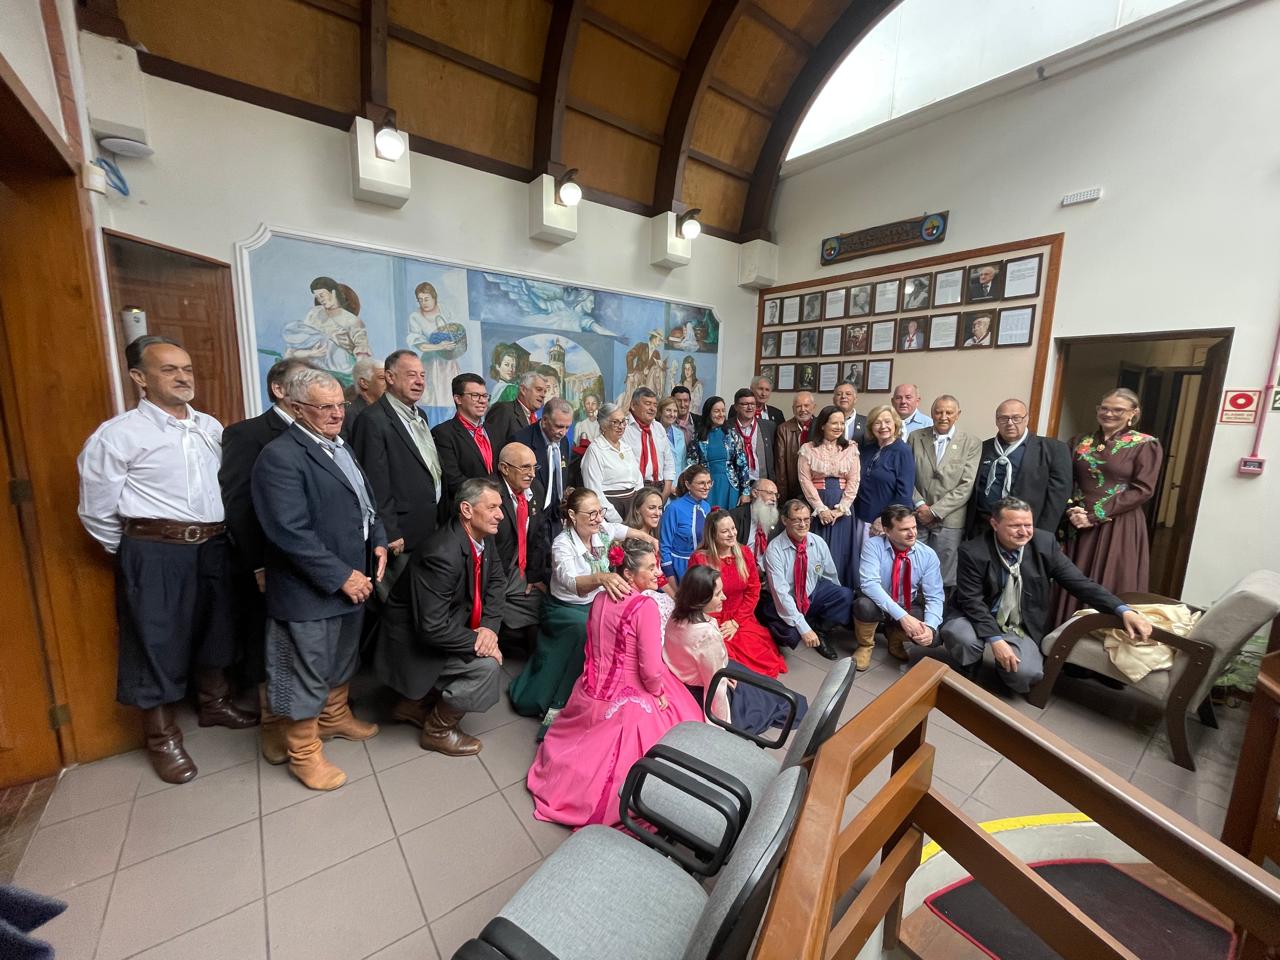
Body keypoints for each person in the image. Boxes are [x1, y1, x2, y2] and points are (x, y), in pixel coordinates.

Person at [78, 336, 255, 785]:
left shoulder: (210, 427)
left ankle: (214, 705)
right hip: (155, 550)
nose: (183, 378)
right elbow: (96, 510)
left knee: (218, 627)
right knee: (153, 639)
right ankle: (161, 738)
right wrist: (137, 553)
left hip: (214, 545)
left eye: (188, 369)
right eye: (169, 370)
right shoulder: (119, 435)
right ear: (139, 378)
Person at [252, 366, 387, 790]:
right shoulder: (280, 456)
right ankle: (304, 752)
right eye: (323, 407)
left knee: (342, 659)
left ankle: (334, 717)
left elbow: (365, 505)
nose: (335, 414)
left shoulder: (339, 446)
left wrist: (379, 541)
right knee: (304, 670)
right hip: (310, 589)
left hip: (353, 580)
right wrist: (341, 575)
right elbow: (288, 532)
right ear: (295, 408)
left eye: (339, 405)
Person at [526, 539, 703, 827]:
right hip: (629, 696)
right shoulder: (643, 606)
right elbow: (649, 668)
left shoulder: (599, 598)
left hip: (591, 689)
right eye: (650, 567)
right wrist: (657, 692)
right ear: (629, 575)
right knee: (682, 718)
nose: (657, 571)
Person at [942, 497, 1153, 694]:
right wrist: (995, 640)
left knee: (1026, 675)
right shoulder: (973, 551)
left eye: (1028, 525)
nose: (1023, 532)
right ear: (995, 524)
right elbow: (972, 602)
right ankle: (970, 662)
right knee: (962, 636)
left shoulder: (1044, 544)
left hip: (1017, 625)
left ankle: (1005, 666)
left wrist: (1122, 609)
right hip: (975, 617)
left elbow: (1080, 583)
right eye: (1015, 526)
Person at [219, 357, 313, 760]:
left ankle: (316, 717)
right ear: (279, 389)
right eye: (304, 384)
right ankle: (273, 723)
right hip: (269, 561)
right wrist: (257, 563)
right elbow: (239, 504)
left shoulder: (320, 432)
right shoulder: (248, 434)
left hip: (313, 558)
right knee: (269, 642)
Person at [374, 478, 507, 756]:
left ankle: (412, 705)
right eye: (493, 507)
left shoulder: (482, 537)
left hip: (448, 626)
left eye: (501, 507)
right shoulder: (442, 553)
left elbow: (496, 583)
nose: (500, 515)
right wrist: (479, 643)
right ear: (467, 510)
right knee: (487, 670)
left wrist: (489, 630)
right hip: (413, 643)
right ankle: (438, 731)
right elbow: (431, 628)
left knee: (486, 651)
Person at [508, 488, 653, 735]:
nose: (599, 518)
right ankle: (560, 704)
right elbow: (569, 581)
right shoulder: (562, 544)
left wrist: (648, 539)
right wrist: (600, 578)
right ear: (573, 516)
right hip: (565, 609)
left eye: (600, 512)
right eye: (592, 513)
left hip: (596, 604)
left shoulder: (602, 530)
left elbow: (622, 530)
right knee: (586, 632)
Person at [1057, 388, 1164, 621]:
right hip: (1076, 521)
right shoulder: (1078, 441)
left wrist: (1094, 515)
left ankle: (1100, 635)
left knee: (1110, 578)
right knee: (1070, 575)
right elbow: (1065, 478)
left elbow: (1143, 489)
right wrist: (1071, 508)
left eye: (1117, 409)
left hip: (1118, 522)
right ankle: (1062, 634)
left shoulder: (1145, 444)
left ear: (1133, 413)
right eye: (1104, 408)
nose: (1109, 413)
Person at [664, 565, 805, 732]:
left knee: (761, 684)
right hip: (703, 685)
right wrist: (720, 724)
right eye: (717, 594)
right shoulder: (706, 633)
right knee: (767, 698)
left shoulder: (675, 616)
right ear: (701, 598)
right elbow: (715, 685)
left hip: (684, 677)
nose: (724, 597)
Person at [351, 350, 443, 593]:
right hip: (399, 537)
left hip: (427, 530)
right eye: (411, 374)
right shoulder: (372, 420)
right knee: (398, 612)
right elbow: (373, 482)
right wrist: (389, 531)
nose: (420, 381)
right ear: (390, 377)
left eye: (422, 375)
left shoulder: (420, 415)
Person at [690, 509, 790, 676]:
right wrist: (714, 624)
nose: (732, 534)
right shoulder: (700, 559)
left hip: (741, 615)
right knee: (725, 660)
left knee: (759, 656)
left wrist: (736, 622)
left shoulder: (744, 553)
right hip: (712, 618)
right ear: (713, 535)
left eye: (733, 528)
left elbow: (753, 591)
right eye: (724, 531)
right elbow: (697, 598)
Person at [854, 504, 944, 670]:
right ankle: (865, 646)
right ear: (887, 531)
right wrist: (903, 617)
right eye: (904, 529)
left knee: (935, 637)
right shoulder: (873, 545)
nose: (912, 533)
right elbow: (869, 584)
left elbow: (935, 596)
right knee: (863, 605)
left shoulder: (928, 555)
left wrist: (930, 627)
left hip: (907, 601)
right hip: (878, 601)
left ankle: (895, 637)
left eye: (914, 527)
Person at [967, 399, 1072, 537]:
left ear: (1026, 419)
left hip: (1025, 532)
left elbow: (1058, 498)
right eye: (1004, 418)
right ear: (997, 421)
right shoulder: (982, 448)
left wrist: (1041, 536)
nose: (1010, 423)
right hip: (982, 529)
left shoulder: (1053, 450)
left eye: (1016, 418)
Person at [760, 500, 850, 660]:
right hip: (784, 599)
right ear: (785, 520)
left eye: (807, 519)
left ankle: (820, 631)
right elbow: (781, 594)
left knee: (844, 595)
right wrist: (803, 628)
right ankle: (772, 627)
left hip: (810, 593)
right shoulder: (774, 550)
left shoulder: (818, 542)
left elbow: (830, 575)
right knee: (791, 636)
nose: (803, 524)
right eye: (796, 519)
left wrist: (833, 610)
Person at [908, 395, 981, 589]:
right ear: (931, 413)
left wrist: (935, 511)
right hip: (918, 515)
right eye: (938, 411)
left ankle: (939, 615)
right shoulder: (915, 437)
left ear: (957, 415)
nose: (943, 416)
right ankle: (912, 611)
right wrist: (920, 505)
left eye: (949, 412)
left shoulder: (971, 442)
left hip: (950, 519)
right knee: (914, 566)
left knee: (944, 574)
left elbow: (967, 484)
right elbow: (906, 476)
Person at [494, 443, 552, 651]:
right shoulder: (490, 493)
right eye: (525, 467)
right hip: (492, 568)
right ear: (504, 468)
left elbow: (538, 536)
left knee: (541, 601)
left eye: (534, 468)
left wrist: (534, 575)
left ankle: (534, 665)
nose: (531, 474)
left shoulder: (535, 489)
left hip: (521, 565)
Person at [851, 405, 916, 590]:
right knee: (860, 566)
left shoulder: (902, 451)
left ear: (895, 424)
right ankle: (860, 610)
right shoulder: (868, 449)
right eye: (877, 422)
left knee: (879, 571)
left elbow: (904, 494)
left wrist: (884, 520)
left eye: (887, 421)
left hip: (883, 523)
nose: (883, 426)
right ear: (871, 427)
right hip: (860, 518)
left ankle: (878, 611)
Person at [798, 405, 861, 588]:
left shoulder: (850, 448)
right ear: (823, 425)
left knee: (841, 551)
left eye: (842, 423)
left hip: (842, 507)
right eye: (834, 423)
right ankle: (815, 593)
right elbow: (805, 480)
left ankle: (841, 594)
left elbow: (854, 480)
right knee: (817, 552)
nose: (839, 427)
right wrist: (820, 508)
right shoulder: (808, 449)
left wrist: (842, 508)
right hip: (818, 505)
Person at [282, 277, 373, 377]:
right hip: (314, 355)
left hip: (339, 361)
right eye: (317, 297)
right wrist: (311, 353)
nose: (321, 300)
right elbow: (305, 336)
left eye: (322, 295)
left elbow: (362, 350)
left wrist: (359, 374)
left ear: (333, 292)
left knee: (323, 339)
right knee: (294, 330)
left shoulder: (351, 320)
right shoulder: (314, 313)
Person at [432, 373, 495, 506]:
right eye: (475, 396)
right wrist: (486, 498)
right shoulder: (443, 433)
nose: (483, 401)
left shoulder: (494, 430)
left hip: (497, 509)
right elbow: (453, 480)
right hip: (465, 510)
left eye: (484, 396)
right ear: (458, 399)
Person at [512, 396, 573, 525]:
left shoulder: (564, 442)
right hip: (531, 515)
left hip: (556, 516)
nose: (563, 433)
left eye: (567, 427)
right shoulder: (522, 441)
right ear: (545, 420)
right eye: (559, 426)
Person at [581, 402, 643, 523]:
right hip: (610, 510)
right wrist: (617, 520)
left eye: (623, 421)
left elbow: (638, 480)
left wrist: (639, 508)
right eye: (615, 422)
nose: (621, 426)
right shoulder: (595, 450)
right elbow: (594, 491)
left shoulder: (626, 447)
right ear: (603, 425)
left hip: (633, 509)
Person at [406, 281, 464, 408]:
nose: (423, 303)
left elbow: (456, 331)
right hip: (431, 364)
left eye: (426, 299)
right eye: (420, 300)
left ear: (434, 297)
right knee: (433, 398)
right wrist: (440, 346)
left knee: (451, 395)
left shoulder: (445, 310)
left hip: (449, 363)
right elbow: (421, 346)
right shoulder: (415, 317)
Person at [689, 396, 751, 510]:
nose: (721, 414)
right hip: (706, 487)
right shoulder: (698, 437)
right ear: (708, 413)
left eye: (723, 410)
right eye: (716, 411)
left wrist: (746, 492)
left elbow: (742, 465)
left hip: (730, 486)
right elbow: (692, 466)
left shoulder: (732, 435)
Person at [659, 464, 712, 581]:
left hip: (702, 568)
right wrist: (672, 583)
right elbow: (664, 547)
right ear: (688, 485)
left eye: (709, 482)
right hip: (679, 569)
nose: (706, 487)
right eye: (701, 483)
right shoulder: (673, 509)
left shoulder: (707, 507)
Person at [623, 386, 675, 499]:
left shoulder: (658, 428)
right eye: (647, 403)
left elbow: (668, 462)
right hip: (633, 489)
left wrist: (665, 492)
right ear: (633, 405)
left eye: (655, 405)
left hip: (658, 488)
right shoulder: (623, 428)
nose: (652, 408)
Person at [727, 478, 782, 577]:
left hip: (767, 576)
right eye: (770, 493)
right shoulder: (735, 517)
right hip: (740, 573)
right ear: (755, 493)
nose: (774, 499)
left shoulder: (777, 520)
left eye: (776, 495)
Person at [486, 370, 548, 450]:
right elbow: (492, 447)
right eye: (539, 389)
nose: (543, 395)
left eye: (545, 392)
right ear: (523, 390)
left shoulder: (537, 420)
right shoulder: (503, 410)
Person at [774, 390, 815, 503]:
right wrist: (782, 497)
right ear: (793, 409)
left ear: (814, 407)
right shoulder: (784, 429)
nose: (802, 410)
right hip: (794, 486)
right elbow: (780, 464)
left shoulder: (821, 427)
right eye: (798, 406)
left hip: (816, 487)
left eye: (806, 405)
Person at [731, 388, 776, 485]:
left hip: (762, 483)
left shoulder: (769, 427)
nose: (750, 407)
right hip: (736, 484)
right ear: (735, 407)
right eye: (745, 404)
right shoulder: (727, 427)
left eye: (752, 404)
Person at [344, 356, 386, 432]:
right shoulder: (350, 414)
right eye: (382, 378)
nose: (389, 383)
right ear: (364, 383)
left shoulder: (389, 409)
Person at [657, 395, 687, 473]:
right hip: (662, 481)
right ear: (660, 411)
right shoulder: (654, 432)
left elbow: (683, 461)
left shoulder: (680, 433)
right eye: (668, 410)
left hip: (679, 481)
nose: (672, 414)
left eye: (675, 411)